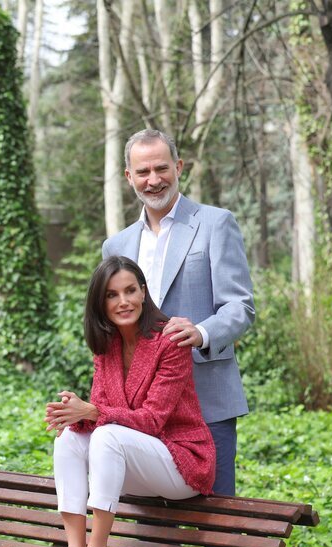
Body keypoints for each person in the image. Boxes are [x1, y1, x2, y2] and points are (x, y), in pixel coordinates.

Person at [32, 256, 215, 547]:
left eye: (131, 291)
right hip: (133, 461)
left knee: (105, 433)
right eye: (112, 295)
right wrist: (76, 414)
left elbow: (152, 419)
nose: (123, 301)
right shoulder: (108, 346)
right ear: (101, 303)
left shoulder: (169, 341)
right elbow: (106, 410)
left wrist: (92, 411)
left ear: (144, 293)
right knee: (69, 440)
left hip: (181, 462)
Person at [103, 129, 255, 497]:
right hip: (141, 406)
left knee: (218, 518)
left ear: (178, 167)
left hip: (206, 397)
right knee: (151, 523)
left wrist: (202, 333)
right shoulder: (116, 245)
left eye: (161, 168)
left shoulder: (215, 223)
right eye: (143, 172)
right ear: (129, 177)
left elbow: (240, 306)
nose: (153, 180)